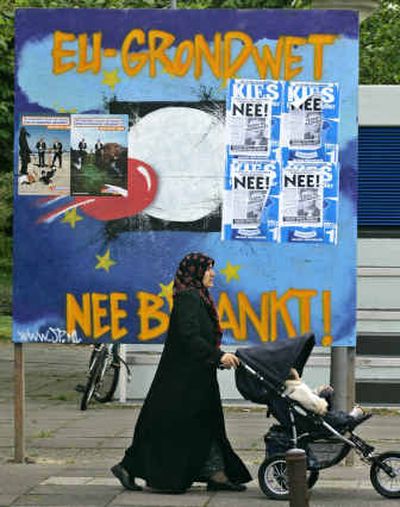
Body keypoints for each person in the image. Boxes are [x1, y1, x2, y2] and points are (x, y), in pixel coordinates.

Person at [111, 252, 252, 494]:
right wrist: (218, 356)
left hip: (197, 375)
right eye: (208, 269)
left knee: (208, 422)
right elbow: (189, 336)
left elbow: (200, 337)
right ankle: (128, 466)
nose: (213, 273)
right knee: (168, 424)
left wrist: (216, 358)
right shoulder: (189, 298)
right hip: (182, 378)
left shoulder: (200, 297)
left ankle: (216, 473)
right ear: (196, 272)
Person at [284, 368, 366, 420]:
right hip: (316, 415)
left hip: (309, 411)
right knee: (329, 394)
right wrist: (321, 398)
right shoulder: (298, 389)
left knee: (326, 391)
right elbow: (316, 405)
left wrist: (318, 391)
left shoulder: (291, 389)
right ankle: (351, 416)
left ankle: (349, 415)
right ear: (295, 377)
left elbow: (307, 397)